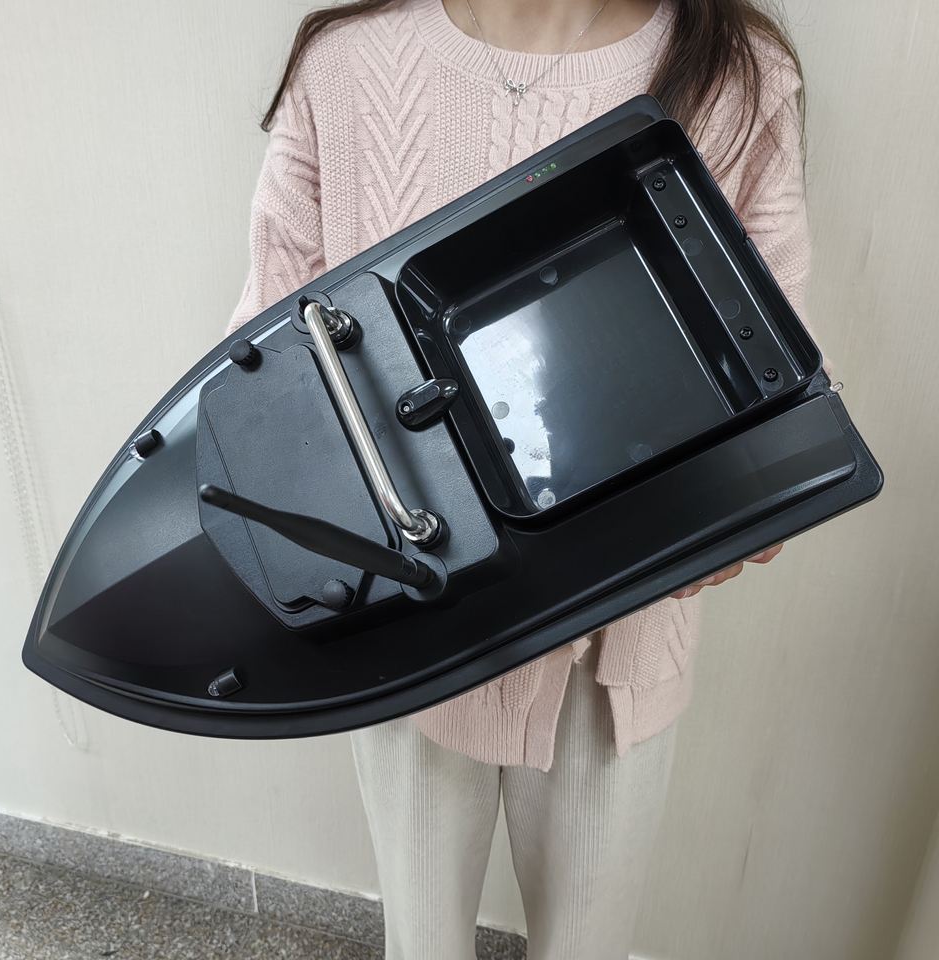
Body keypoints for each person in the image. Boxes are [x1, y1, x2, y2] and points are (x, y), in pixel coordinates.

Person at [226, 1, 804, 956]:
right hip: (413, 629)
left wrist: (749, 500)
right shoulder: (345, 63)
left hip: (619, 644)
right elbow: (264, 369)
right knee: (422, 943)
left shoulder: (737, 74)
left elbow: (778, 358)